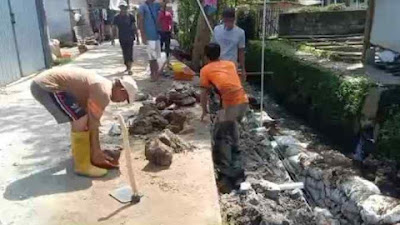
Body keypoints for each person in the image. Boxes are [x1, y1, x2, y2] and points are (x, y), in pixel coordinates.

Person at [30, 67, 138, 177]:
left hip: (45, 83)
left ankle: (80, 155)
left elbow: (90, 119)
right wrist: (97, 153)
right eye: (125, 98)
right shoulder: (103, 92)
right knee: (81, 119)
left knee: (81, 118)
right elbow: (93, 124)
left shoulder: (103, 85)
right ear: (122, 90)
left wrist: (95, 149)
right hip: (46, 86)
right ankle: (82, 165)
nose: (122, 102)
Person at [200, 43, 249, 192]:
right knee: (231, 131)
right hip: (243, 103)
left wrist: (204, 110)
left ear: (206, 56)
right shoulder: (230, 64)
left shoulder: (205, 70)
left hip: (231, 106)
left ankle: (227, 176)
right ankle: (238, 168)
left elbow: (204, 94)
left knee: (220, 137)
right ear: (219, 53)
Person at [211, 8, 246, 81]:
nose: (228, 23)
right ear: (223, 19)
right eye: (226, 20)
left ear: (234, 19)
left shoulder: (240, 33)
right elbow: (212, 47)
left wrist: (242, 69)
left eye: (230, 20)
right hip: (217, 64)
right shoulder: (217, 30)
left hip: (231, 66)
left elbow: (241, 52)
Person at [112, 1, 139, 75]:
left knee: (129, 52)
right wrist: (113, 39)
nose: (123, 9)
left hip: (130, 37)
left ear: (126, 8)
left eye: (124, 7)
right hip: (122, 37)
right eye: (122, 7)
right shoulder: (116, 17)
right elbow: (114, 28)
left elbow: (134, 27)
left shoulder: (130, 16)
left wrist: (137, 38)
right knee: (125, 52)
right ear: (120, 8)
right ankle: (127, 66)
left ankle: (129, 68)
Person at [138, 0, 161, 81]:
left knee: (156, 56)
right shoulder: (143, 7)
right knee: (152, 57)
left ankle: (156, 73)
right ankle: (153, 74)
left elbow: (165, 6)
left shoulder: (156, 5)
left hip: (157, 35)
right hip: (149, 35)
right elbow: (140, 21)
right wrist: (143, 35)